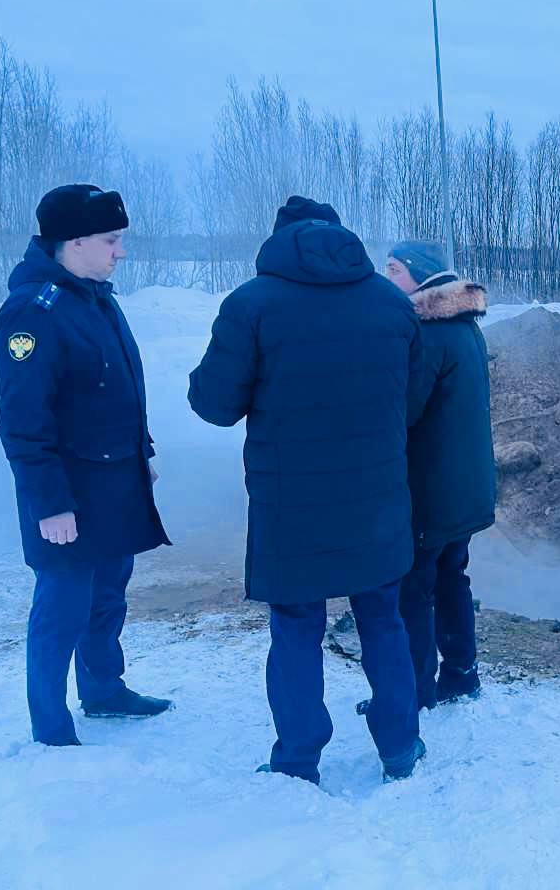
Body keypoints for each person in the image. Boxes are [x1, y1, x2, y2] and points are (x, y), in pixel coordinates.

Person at [188, 197, 426, 785]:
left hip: (290, 506)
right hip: (377, 500)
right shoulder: (392, 303)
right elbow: (412, 400)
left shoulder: (251, 305)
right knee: (383, 620)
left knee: (295, 628)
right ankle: (400, 745)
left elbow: (214, 406)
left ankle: (297, 760)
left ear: (278, 239)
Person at [0, 184, 172, 747]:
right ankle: (50, 724)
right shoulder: (33, 311)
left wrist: (142, 454)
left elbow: (118, 387)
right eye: (111, 240)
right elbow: (23, 422)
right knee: (62, 606)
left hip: (114, 482)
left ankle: (103, 690)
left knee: (108, 596)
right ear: (72, 242)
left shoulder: (95, 296)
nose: (120, 251)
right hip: (68, 493)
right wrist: (50, 504)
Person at [384, 241, 496, 708]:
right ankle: (460, 674)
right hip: (464, 487)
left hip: (432, 490)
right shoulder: (464, 326)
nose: (385, 277)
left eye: (392, 269)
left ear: (417, 274)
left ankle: (414, 691)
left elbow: (405, 412)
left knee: (415, 589)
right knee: (453, 577)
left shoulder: (427, 334)